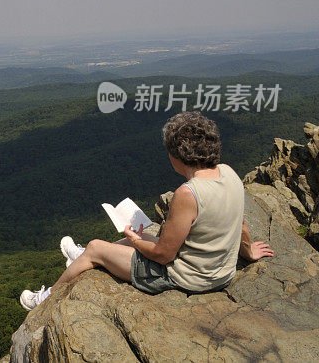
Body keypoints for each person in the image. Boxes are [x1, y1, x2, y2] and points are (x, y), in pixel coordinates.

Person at [20, 111, 274, 311]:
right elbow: (239, 224)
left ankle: (46, 297)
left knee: (99, 245)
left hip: (188, 278)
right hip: (221, 271)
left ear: (177, 155)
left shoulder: (189, 193)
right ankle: (82, 257)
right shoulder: (229, 173)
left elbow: (163, 255)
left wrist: (135, 239)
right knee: (125, 241)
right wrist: (249, 251)